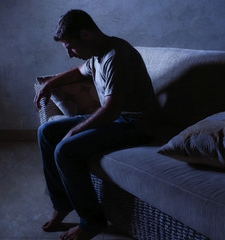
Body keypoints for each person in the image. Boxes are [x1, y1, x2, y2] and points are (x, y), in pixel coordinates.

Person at [34, 9, 156, 240]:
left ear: (85, 34)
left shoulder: (116, 56)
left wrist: (74, 130)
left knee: (66, 150)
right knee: (46, 132)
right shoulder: (96, 55)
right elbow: (78, 72)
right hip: (117, 119)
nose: (70, 54)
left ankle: (92, 222)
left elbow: (110, 111)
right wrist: (49, 84)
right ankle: (62, 203)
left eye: (71, 47)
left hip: (136, 124)